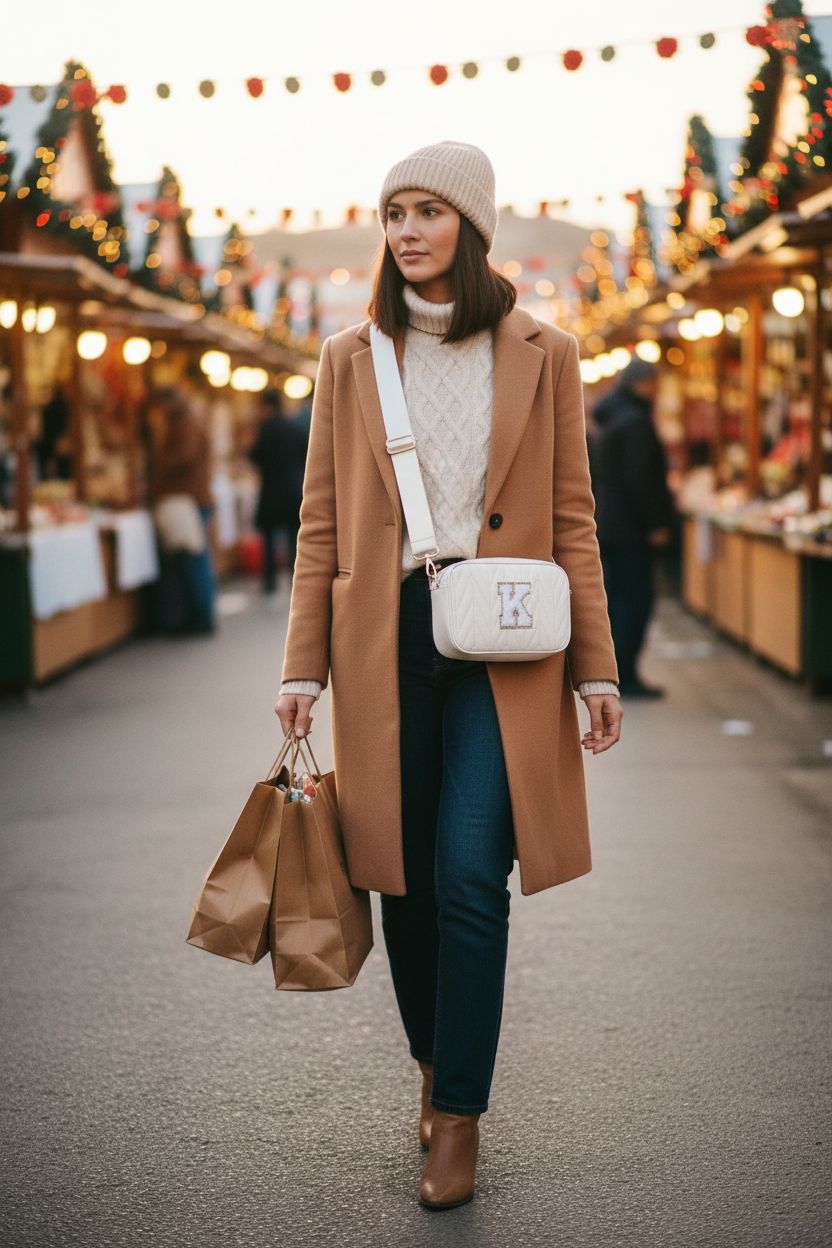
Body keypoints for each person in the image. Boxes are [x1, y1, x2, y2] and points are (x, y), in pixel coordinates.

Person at [274, 141, 622, 1211]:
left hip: (511, 636)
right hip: (389, 637)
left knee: (472, 872)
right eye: (394, 213)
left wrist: (596, 668)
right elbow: (321, 521)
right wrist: (302, 671)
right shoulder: (351, 356)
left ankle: (458, 1114)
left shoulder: (543, 351)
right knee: (403, 878)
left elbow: (571, 513)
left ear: (471, 226)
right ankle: (431, 1069)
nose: (408, 231)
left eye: (429, 211)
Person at [588, 357, 676, 698]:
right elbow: (641, 477)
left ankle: (618, 669)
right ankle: (626, 673)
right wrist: (655, 522)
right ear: (644, 383)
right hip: (631, 528)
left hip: (610, 522)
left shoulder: (611, 417)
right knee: (635, 600)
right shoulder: (636, 421)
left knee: (619, 599)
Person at [151, 388, 217, 634]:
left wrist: (159, 460)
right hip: (190, 498)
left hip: (186, 498)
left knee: (192, 559)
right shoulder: (186, 419)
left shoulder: (183, 422)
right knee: (194, 559)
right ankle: (198, 615)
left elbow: (184, 457)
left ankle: (200, 617)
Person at [247, 389, 308, 594]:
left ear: (266, 406)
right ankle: (294, 576)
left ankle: (270, 581)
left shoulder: (266, 428)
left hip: (271, 490)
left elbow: (255, 456)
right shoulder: (294, 427)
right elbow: (305, 454)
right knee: (293, 536)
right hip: (292, 489)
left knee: (269, 538)